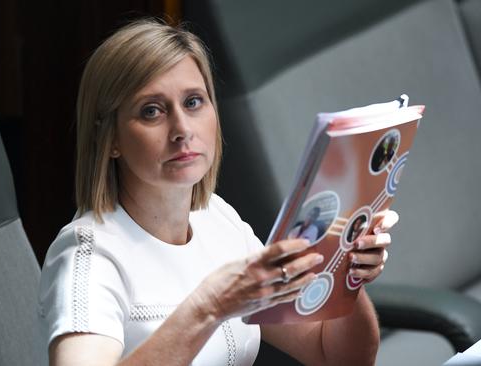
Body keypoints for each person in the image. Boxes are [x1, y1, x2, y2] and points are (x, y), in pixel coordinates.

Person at [38, 19, 397, 366]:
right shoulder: (88, 256)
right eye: (152, 111)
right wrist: (208, 307)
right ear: (111, 138)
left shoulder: (217, 219)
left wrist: (346, 273)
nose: (182, 129)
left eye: (193, 102)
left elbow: (338, 357)